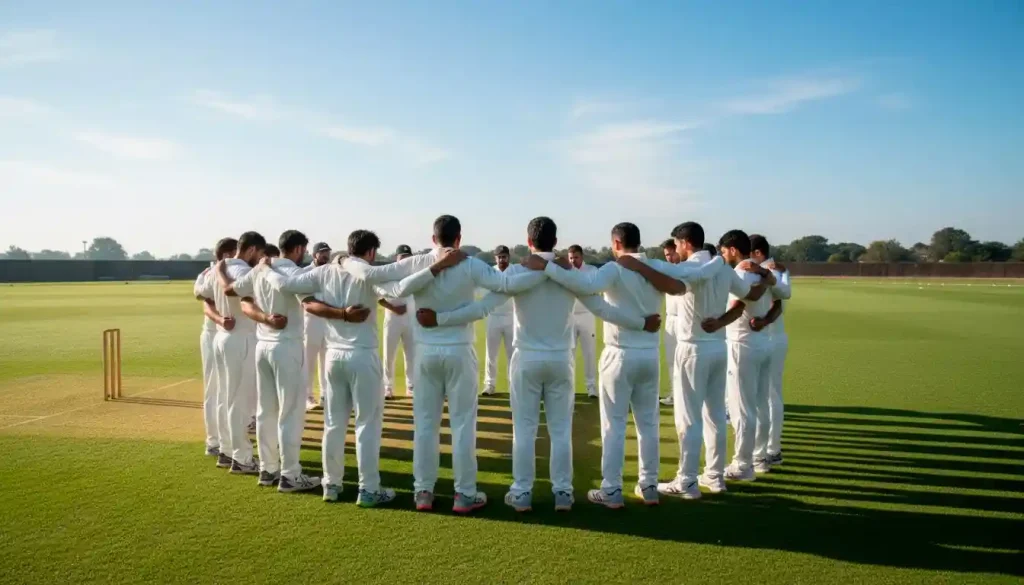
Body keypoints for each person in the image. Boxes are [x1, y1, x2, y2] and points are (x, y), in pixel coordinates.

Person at [422, 217, 654, 513]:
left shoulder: (518, 271)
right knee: (560, 430)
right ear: (555, 242)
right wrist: (641, 323)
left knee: (524, 429)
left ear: (529, 241)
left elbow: (482, 308)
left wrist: (440, 319)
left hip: (527, 358)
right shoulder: (568, 273)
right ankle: (563, 493)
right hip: (560, 359)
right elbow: (602, 309)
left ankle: (522, 492)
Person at [338, 215, 549, 514]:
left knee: (425, 425)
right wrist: (546, 268)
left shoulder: (418, 261)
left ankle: (423, 491)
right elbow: (505, 284)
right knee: (462, 425)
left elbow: (372, 274)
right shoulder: (470, 264)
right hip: (459, 351)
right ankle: (464, 494)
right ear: (459, 238)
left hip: (426, 352)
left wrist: (344, 260)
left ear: (433, 238)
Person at [265, 229, 462, 507]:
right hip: (362, 355)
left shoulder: (324, 271)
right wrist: (435, 268)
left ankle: (331, 485)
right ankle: (368, 488)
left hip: (333, 357)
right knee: (367, 424)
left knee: (333, 424)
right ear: (370, 252)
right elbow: (399, 290)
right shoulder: (367, 274)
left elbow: (286, 285)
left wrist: (265, 268)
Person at [541, 223, 702, 508]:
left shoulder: (614, 269)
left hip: (619, 354)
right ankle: (649, 485)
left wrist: (551, 267)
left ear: (616, 243)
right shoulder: (655, 265)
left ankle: (612, 489)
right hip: (649, 355)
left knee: (614, 426)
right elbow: (686, 279)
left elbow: (585, 285)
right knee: (648, 424)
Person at [614, 222, 769, 498]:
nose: (675, 249)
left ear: (685, 243)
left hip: (693, 349)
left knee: (689, 418)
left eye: (677, 244)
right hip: (718, 347)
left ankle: (687, 481)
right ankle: (714, 476)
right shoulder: (723, 268)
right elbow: (750, 296)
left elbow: (666, 273)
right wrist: (763, 280)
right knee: (715, 416)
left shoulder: (691, 268)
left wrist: (637, 264)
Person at [218, 230, 321, 492]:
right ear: (298, 249)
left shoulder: (259, 270)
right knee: (290, 413)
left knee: (266, 411)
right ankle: (290, 474)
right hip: (287, 346)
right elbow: (310, 302)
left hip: (262, 347)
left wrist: (220, 269)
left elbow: (230, 290)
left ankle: (268, 468)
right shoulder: (293, 272)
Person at [717, 230, 777, 481]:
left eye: (723, 251)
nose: (723, 256)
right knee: (761, 404)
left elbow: (737, 306)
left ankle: (742, 464)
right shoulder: (764, 273)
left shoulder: (740, 274)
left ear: (733, 250)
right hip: (763, 343)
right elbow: (777, 301)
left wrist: (716, 323)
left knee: (741, 408)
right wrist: (765, 275)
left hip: (742, 344)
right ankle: (759, 457)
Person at [205, 231, 266, 475]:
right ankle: (241, 458)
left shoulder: (217, 269)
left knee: (225, 397)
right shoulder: (242, 270)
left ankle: (226, 450)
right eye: (259, 253)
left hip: (222, 337)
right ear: (251, 250)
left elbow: (203, 295)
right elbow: (239, 292)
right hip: (241, 337)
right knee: (239, 401)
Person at [749, 234, 791, 466]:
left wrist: (772, 274)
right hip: (765, 339)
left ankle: (771, 450)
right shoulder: (770, 270)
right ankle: (766, 449)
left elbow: (783, 296)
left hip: (771, 338)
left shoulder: (772, 270)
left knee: (769, 394)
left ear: (758, 253)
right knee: (763, 395)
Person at [193, 237, 237, 460]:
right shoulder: (211, 274)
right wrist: (220, 320)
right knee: (214, 389)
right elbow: (203, 299)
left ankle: (225, 439)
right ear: (228, 254)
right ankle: (213, 442)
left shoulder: (221, 273)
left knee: (226, 391)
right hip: (213, 334)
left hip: (223, 335)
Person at [379, 244, 417, 400]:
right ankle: (387, 387)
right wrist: (393, 308)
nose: (405, 260)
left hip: (410, 319)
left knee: (411, 354)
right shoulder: (388, 273)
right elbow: (378, 297)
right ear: (397, 258)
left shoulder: (415, 274)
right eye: (402, 257)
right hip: (392, 319)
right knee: (389, 354)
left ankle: (411, 386)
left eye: (408, 257)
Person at [303, 242, 332, 410]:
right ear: (314, 255)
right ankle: (307, 396)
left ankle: (325, 395)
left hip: (328, 321)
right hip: (311, 321)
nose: (325, 255)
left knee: (327, 360)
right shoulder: (305, 272)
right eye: (322, 253)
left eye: (327, 252)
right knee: (309, 360)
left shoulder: (332, 272)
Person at [567, 244, 598, 398]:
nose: (573, 261)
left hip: (587, 315)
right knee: (569, 354)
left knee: (589, 353)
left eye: (576, 257)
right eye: (571, 258)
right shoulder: (565, 272)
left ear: (582, 257)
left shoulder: (592, 271)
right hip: (569, 316)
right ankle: (569, 388)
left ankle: (591, 387)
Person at [482, 245, 514, 396]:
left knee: (512, 354)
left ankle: (513, 384)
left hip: (512, 317)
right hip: (493, 317)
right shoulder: (490, 272)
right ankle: (490, 385)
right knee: (491, 353)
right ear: (495, 258)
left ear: (508, 257)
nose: (502, 259)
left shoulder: (515, 271)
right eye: (499, 257)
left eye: (504, 256)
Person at [659, 239, 681, 407]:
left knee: (685, 359)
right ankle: (675, 394)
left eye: (672, 253)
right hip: (670, 318)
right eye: (666, 255)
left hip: (685, 318)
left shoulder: (687, 269)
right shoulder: (666, 270)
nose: (669, 258)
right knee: (671, 359)